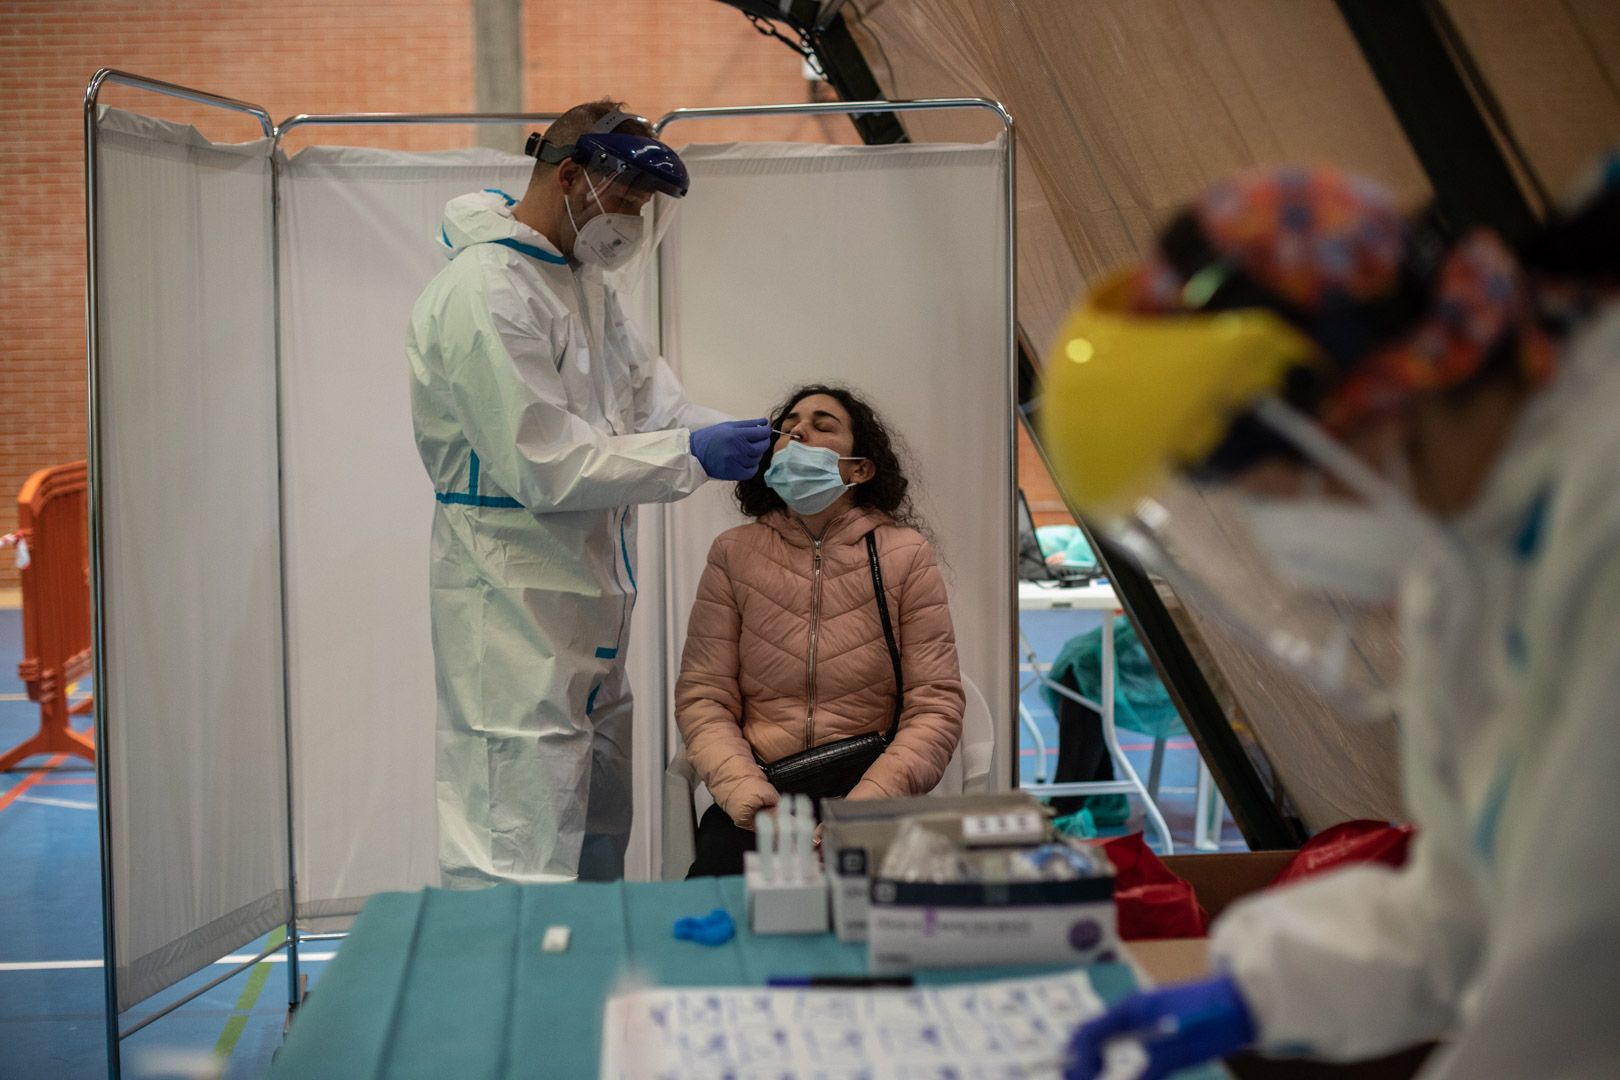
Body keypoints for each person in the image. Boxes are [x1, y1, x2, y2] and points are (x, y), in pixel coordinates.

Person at [1041, 167, 1620, 1079]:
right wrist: (1260, 988)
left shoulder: (1600, 510)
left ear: (1345, 409)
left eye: (1256, 496)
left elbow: (1574, 979)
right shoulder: (1465, 566)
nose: (1277, 540)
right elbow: (1465, 910)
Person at [407, 100, 771, 886]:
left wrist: (755, 441)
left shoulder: (585, 287)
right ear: (571, 175)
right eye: (627, 201)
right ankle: (514, 1006)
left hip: (590, 599)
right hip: (511, 600)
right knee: (519, 837)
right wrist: (694, 455)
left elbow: (654, 408)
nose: (633, 224)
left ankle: (585, 991)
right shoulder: (488, 291)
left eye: (645, 207)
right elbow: (541, 462)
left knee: (597, 823)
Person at [677, 385, 965, 877]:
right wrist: (750, 798)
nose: (798, 432)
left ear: (860, 468)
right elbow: (704, 698)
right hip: (762, 803)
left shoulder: (906, 555)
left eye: (822, 425)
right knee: (718, 921)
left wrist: (864, 806)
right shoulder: (733, 553)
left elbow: (935, 705)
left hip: (873, 800)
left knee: (886, 934)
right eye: (788, 429)